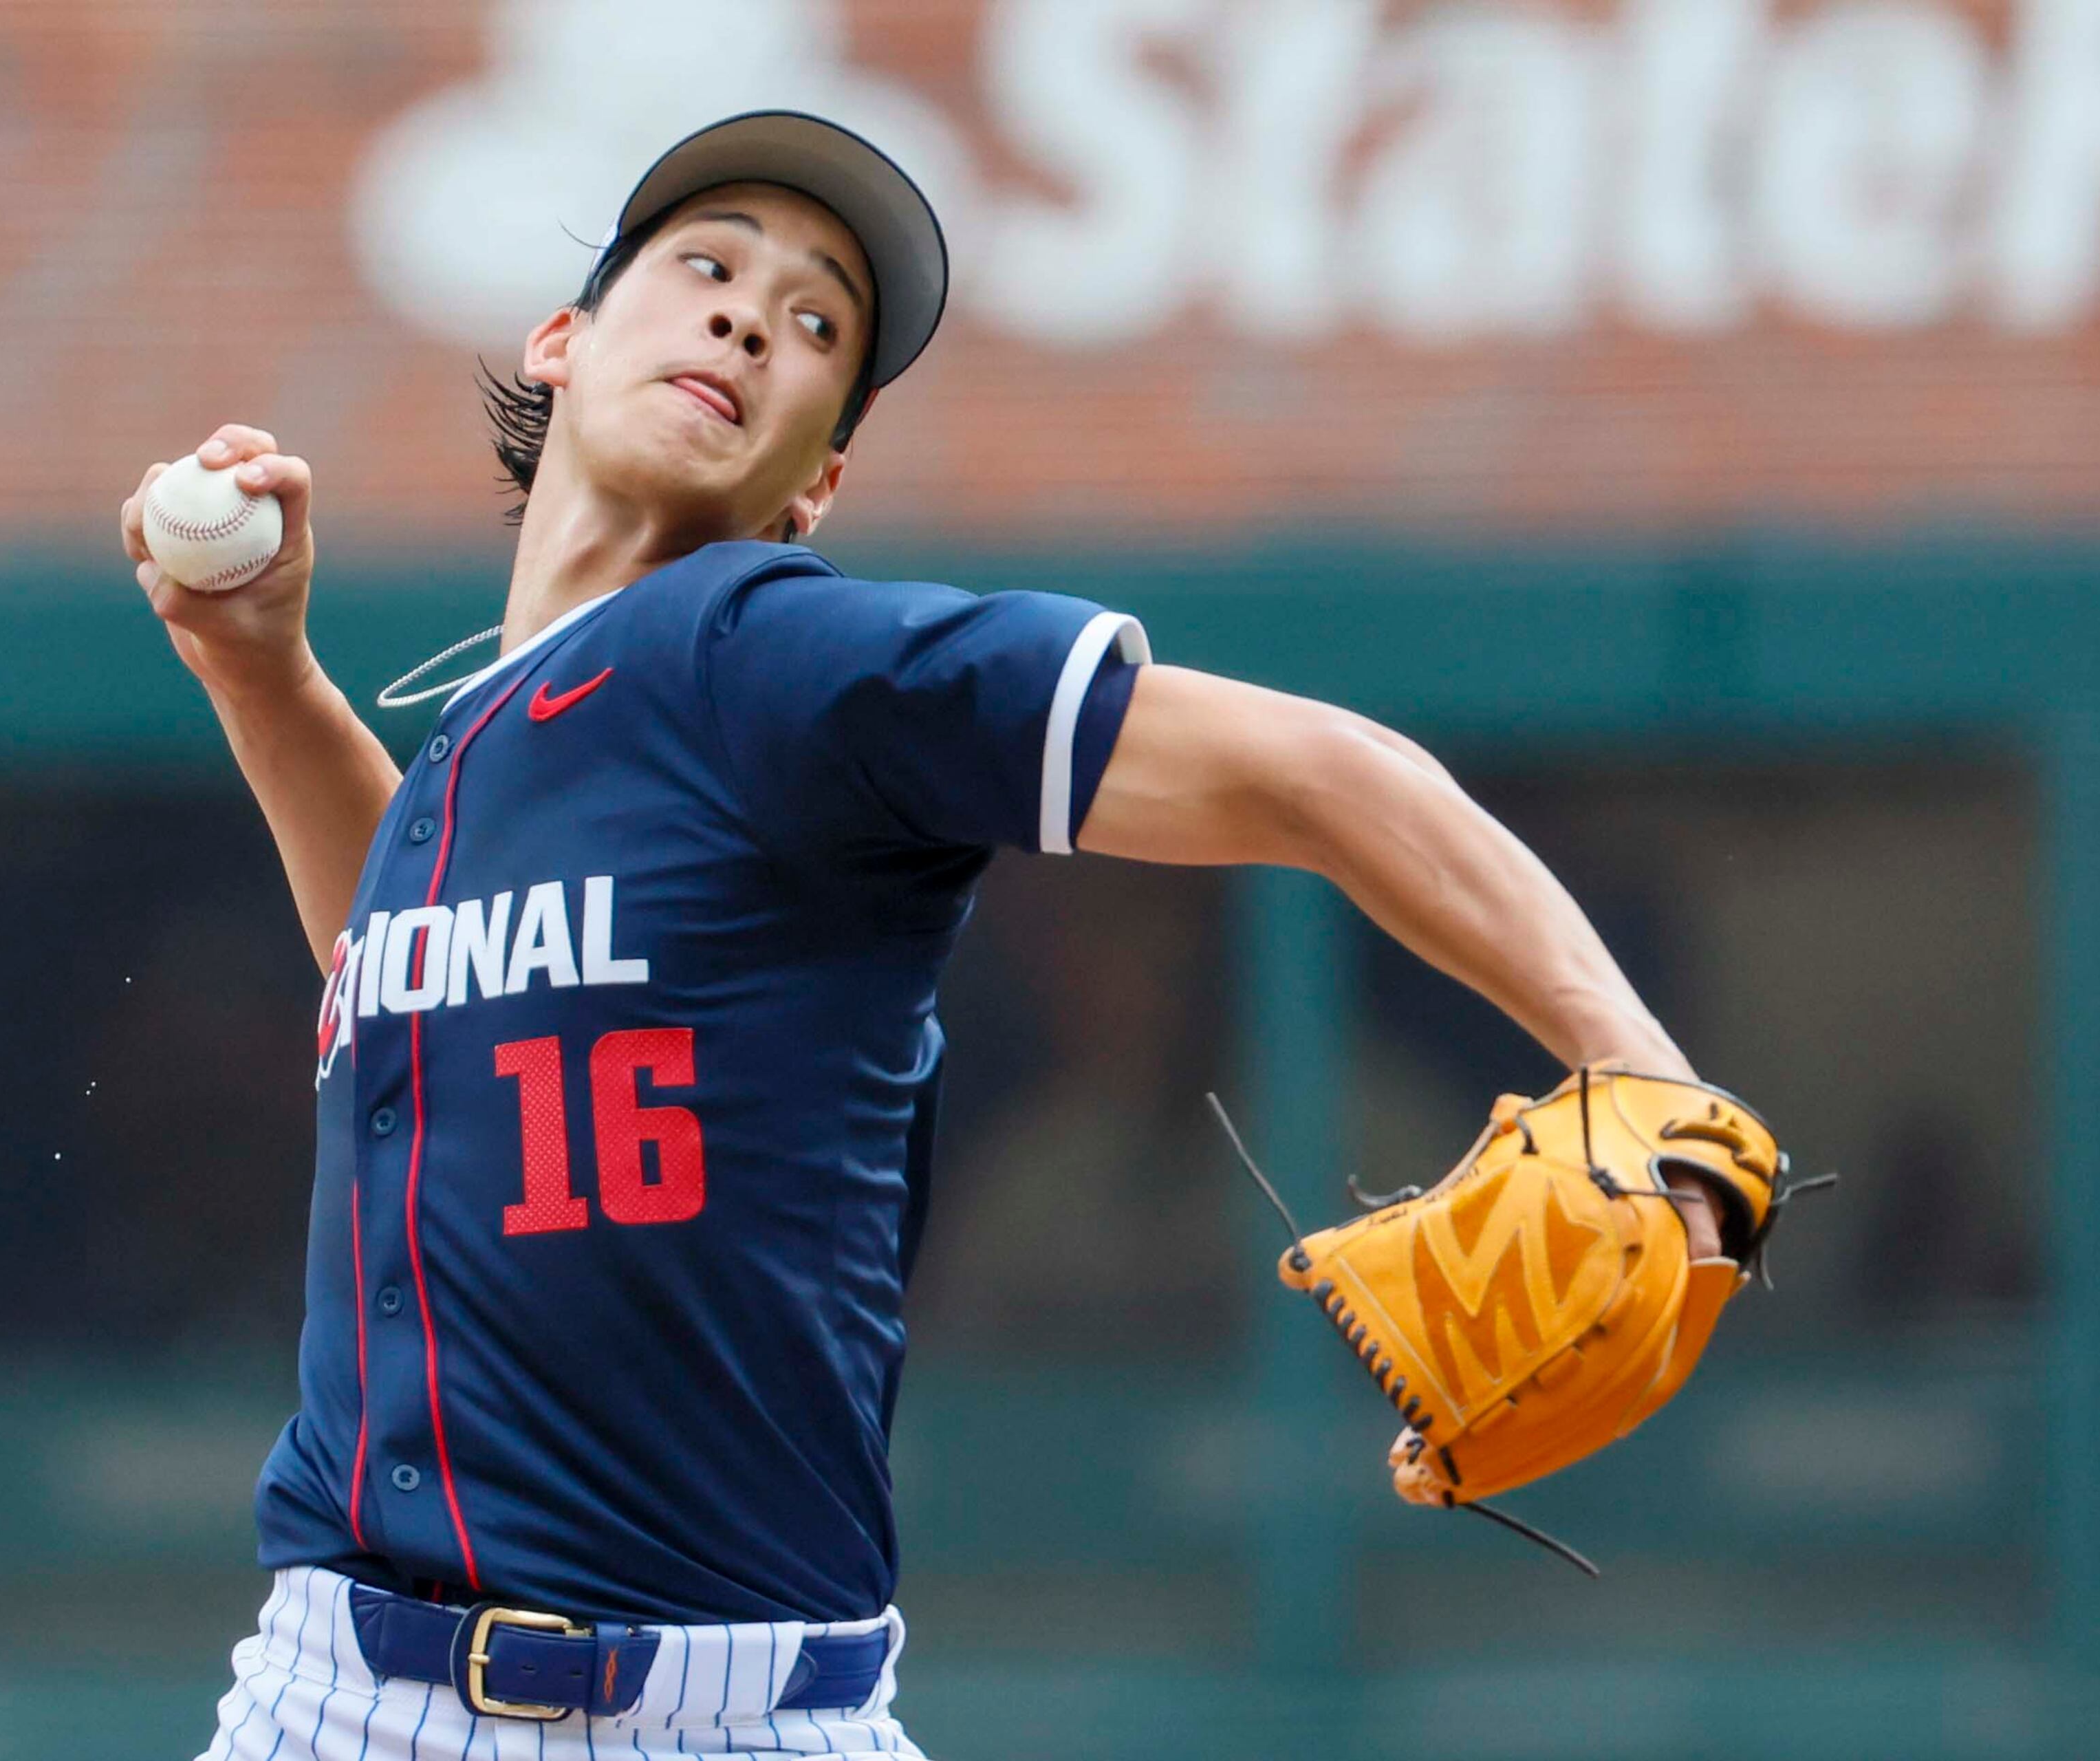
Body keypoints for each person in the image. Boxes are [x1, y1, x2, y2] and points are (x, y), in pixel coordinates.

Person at [120, 111, 1720, 1761]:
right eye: (707, 267)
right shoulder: (487, 735)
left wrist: (1643, 1068)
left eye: (819, 323)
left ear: (818, 477)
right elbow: (416, 987)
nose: (751, 314)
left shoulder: (777, 657)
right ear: (565, 338)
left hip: (716, 1720)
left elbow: (1322, 771)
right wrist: (262, 674)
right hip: (328, 1693)